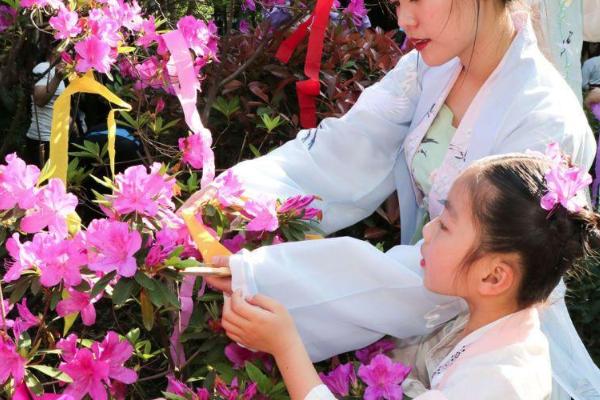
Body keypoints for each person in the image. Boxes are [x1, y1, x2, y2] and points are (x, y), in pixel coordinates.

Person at [182, 0, 599, 398]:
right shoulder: (431, 66)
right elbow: (343, 152)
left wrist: (264, 275)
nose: (404, 20)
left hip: (483, 327)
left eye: (417, 1)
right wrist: (231, 200)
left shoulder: (545, 118)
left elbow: (472, 268)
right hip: (418, 298)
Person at [220, 152, 600, 400]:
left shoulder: (497, 382)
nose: (429, 230)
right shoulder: (497, 323)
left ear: (493, 277)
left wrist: (286, 347)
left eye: (447, 225)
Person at [23, 52, 65, 167]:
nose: (70, 52)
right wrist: (57, 78)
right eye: (67, 47)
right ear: (53, 49)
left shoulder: (61, 70)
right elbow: (40, 100)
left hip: (56, 139)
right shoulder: (43, 68)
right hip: (42, 140)